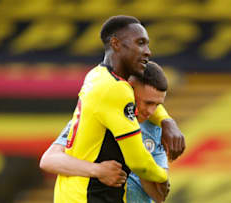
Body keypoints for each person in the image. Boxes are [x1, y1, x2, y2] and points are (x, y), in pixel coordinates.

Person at [53, 15, 183, 203]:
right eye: (140, 43)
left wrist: (166, 120)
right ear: (116, 43)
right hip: (89, 196)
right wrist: (162, 179)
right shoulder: (115, 90)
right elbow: (138, 162)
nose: (147, 51)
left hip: (74, 193)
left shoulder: (97, 75)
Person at [41, 61, 170, 202]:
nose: (151, 111)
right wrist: (98, 170)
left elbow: (160, 195)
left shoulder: (156, 130)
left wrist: (141, 167)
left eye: (157, 105)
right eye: (148, 103)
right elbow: (49, 160)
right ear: (130, 90)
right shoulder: (97, 118)